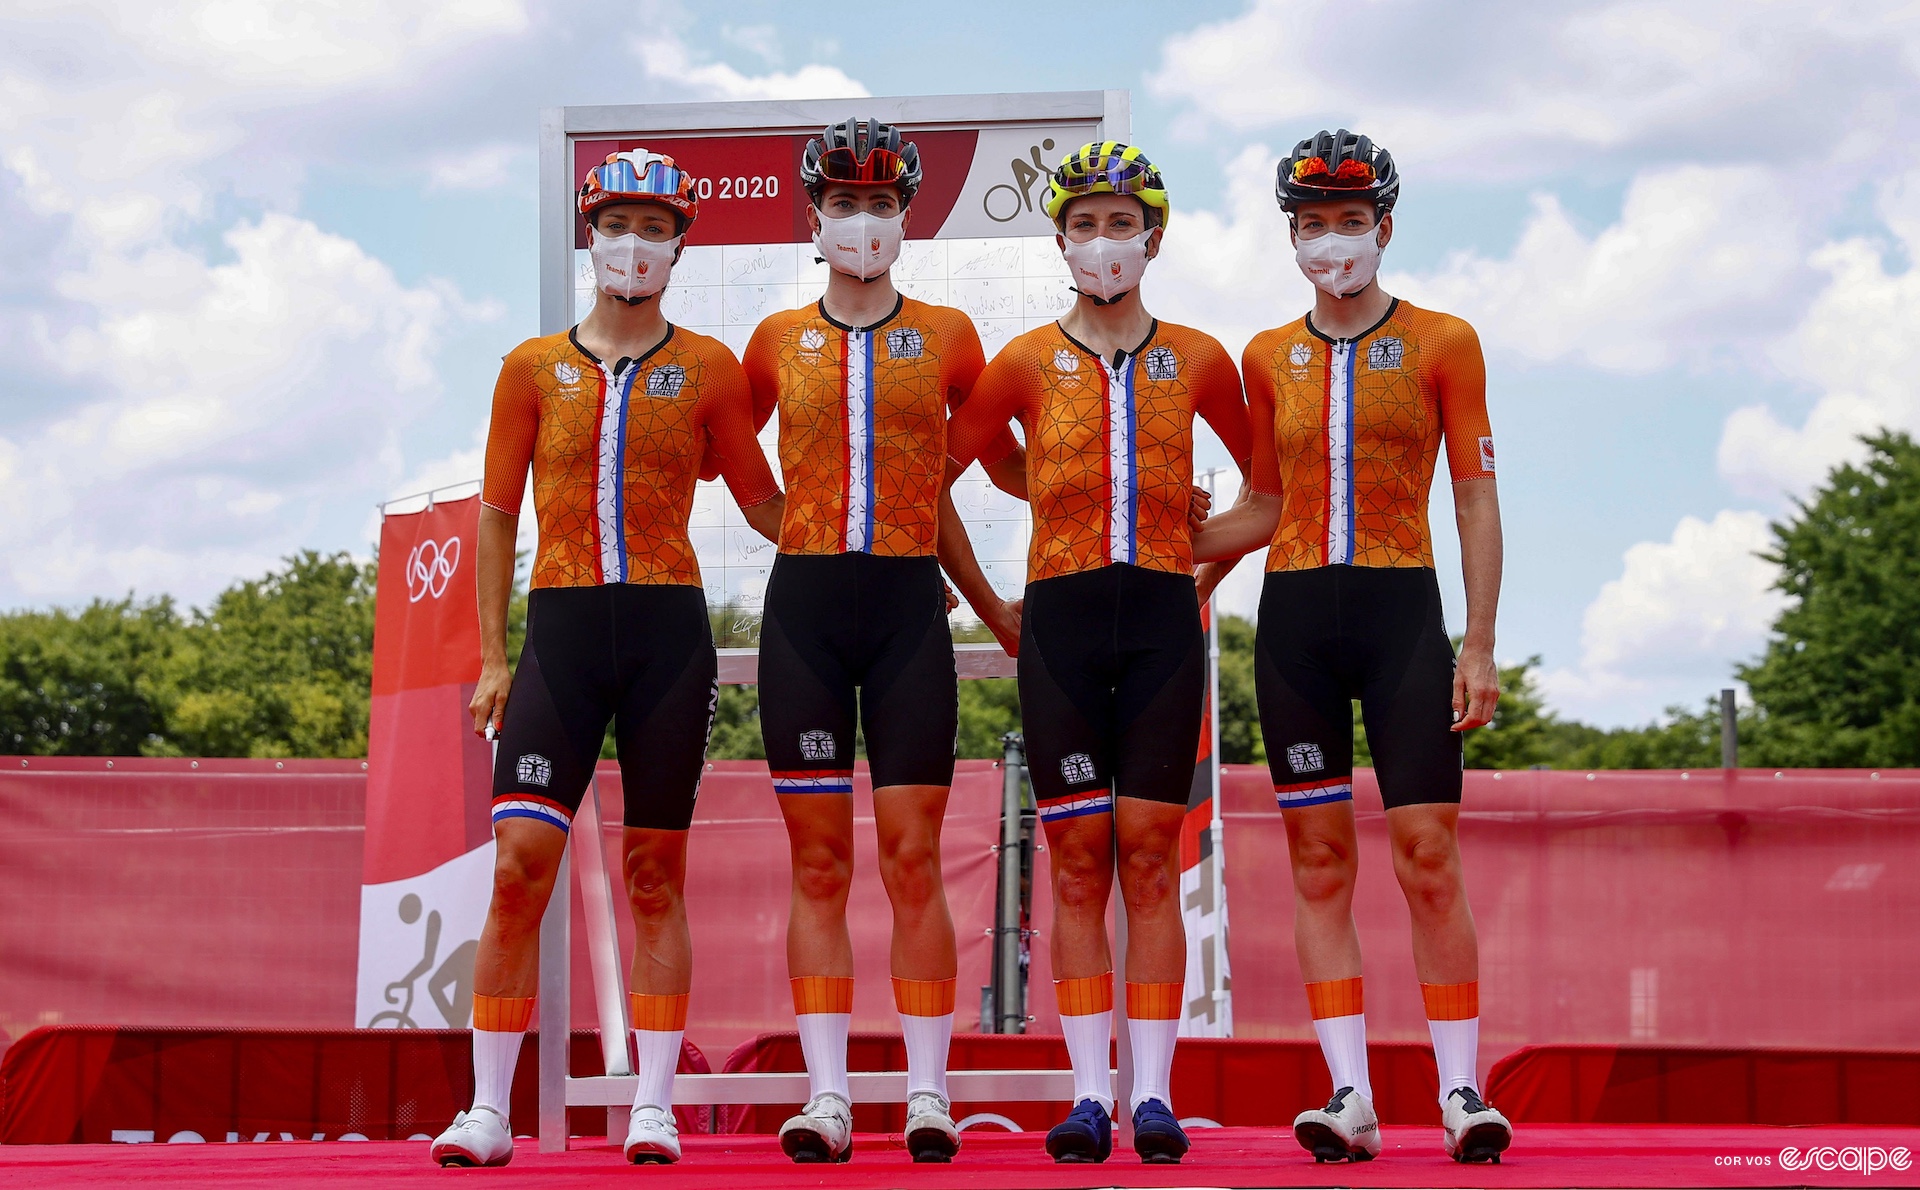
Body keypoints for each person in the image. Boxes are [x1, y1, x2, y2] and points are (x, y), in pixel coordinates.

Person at [430, 150, 786, 1168]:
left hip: (669, 634)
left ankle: (654, 1103)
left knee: (653, 870)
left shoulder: (710, 365)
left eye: (654, 222)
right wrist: (491, 653)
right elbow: (497, 514)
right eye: (615, 220)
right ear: (590, 232)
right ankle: (488, 1108)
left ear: (681, 239)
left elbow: (765, 505)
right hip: (562, 633)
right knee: (516, 868)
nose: (633, 240)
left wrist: (877, 537)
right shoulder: (530, 366)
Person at [945, 142, 1278, 1166]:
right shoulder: (1021, 362)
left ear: (1155, 237)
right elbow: (937, 485)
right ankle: (1089, 1094)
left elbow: (1270, 498)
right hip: (1060, 623)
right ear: (1058, 239)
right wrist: (998, 604)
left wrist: (1188, 544)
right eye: (1083, 223)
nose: (1102, 240)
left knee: (1149, 856)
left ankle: (1154, 1096)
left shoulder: (1203, 358)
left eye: (1120, 222)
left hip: (1161, 627)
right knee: (1076, 859)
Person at [1192, 129, 1514, 1165]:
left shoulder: (1444, 340)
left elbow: (1474, 495)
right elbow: (1260, 506)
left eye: (1349, 220)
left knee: (1427, 856)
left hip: (1402, 615)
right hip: (1294, 624)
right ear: (1291, 233)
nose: (1331, 240)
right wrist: (1174, 566)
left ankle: (1461, 1086)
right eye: (1311, 223)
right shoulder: (1263, 355)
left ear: (1385, 224)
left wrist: (1482, 641)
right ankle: (1350, 1094)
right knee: (1319, 860)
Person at [741, 117, 1025, 1165]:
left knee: (913, 859)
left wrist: (992, 597)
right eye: (844, 200)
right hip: (805, 613)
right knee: (818, 863)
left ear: (907, 212)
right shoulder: (772, 338)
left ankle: (926, 1089)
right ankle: (825, 1094)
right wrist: (803, 529)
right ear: (813, 214)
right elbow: (731, 460)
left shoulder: (949, 333)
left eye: (881, 200)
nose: (862, 217)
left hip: (909, 612)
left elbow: (994, 468)